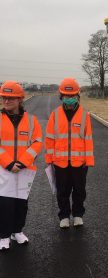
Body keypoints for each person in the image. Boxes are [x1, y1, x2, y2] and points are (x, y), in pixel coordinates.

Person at [45, 78, 94, 229]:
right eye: (66, 96)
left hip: (80, 162)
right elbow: (49, 138)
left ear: (78, 95)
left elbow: (88, 138)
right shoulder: (55, 115)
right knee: (62, 190)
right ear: (61, 96)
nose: (69, 99)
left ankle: (78, 215)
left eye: (72, 96)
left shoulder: (84, 115)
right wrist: (49, 159)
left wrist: (89, 160)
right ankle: (64, 216)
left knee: (79, 190)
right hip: (60, 162)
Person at [0, 81, 43, 250]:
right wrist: (9, 163)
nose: (6, 101)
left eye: (11, 98)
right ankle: (4, 235)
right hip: (3, 170)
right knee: (5, 204)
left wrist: (23, 162)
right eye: (4, 97)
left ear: (20, 100)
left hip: (24, 170)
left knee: (21, 203)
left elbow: (37, 142)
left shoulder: (32, 121)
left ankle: (17, 231)